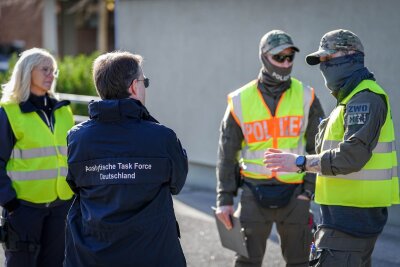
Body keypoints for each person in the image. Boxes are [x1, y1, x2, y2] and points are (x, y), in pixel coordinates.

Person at [264, 29, 399, 267]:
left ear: (352, 56)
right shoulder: (349, 99)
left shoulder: (365, 98)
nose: (323, 65)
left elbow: (351, 157)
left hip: (350, 223)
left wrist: (300, 163)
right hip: (343, 220)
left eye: (328, 58)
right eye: (321, 61)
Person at [63, 51, 188, 267]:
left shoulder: (77, 137)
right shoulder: (162, 137)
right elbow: (177, 183)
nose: (144, 87)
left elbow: (75, 185)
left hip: (91, 256)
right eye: (144, 82)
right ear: (133, 86)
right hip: (153, 255)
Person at [216, 30, 325, 267]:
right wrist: (224, 198)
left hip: (295, 195)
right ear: (264, 57)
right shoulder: (240, 100)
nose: (286, 63)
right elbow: (227, 152)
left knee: (300, 263)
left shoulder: (307, 96)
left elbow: (318, 146)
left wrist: (308, 192)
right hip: (254, 192)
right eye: (279, 57)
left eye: (290, 57)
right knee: (247, 262)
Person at [0, 48, 74, 267]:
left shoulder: (64, 111)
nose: (51, 75)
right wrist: (10, 202)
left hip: (60, 205)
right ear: (27, 72)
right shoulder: (8, 112)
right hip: (23, 207)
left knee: (55, 263)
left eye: (53, 70)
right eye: (45, 69)